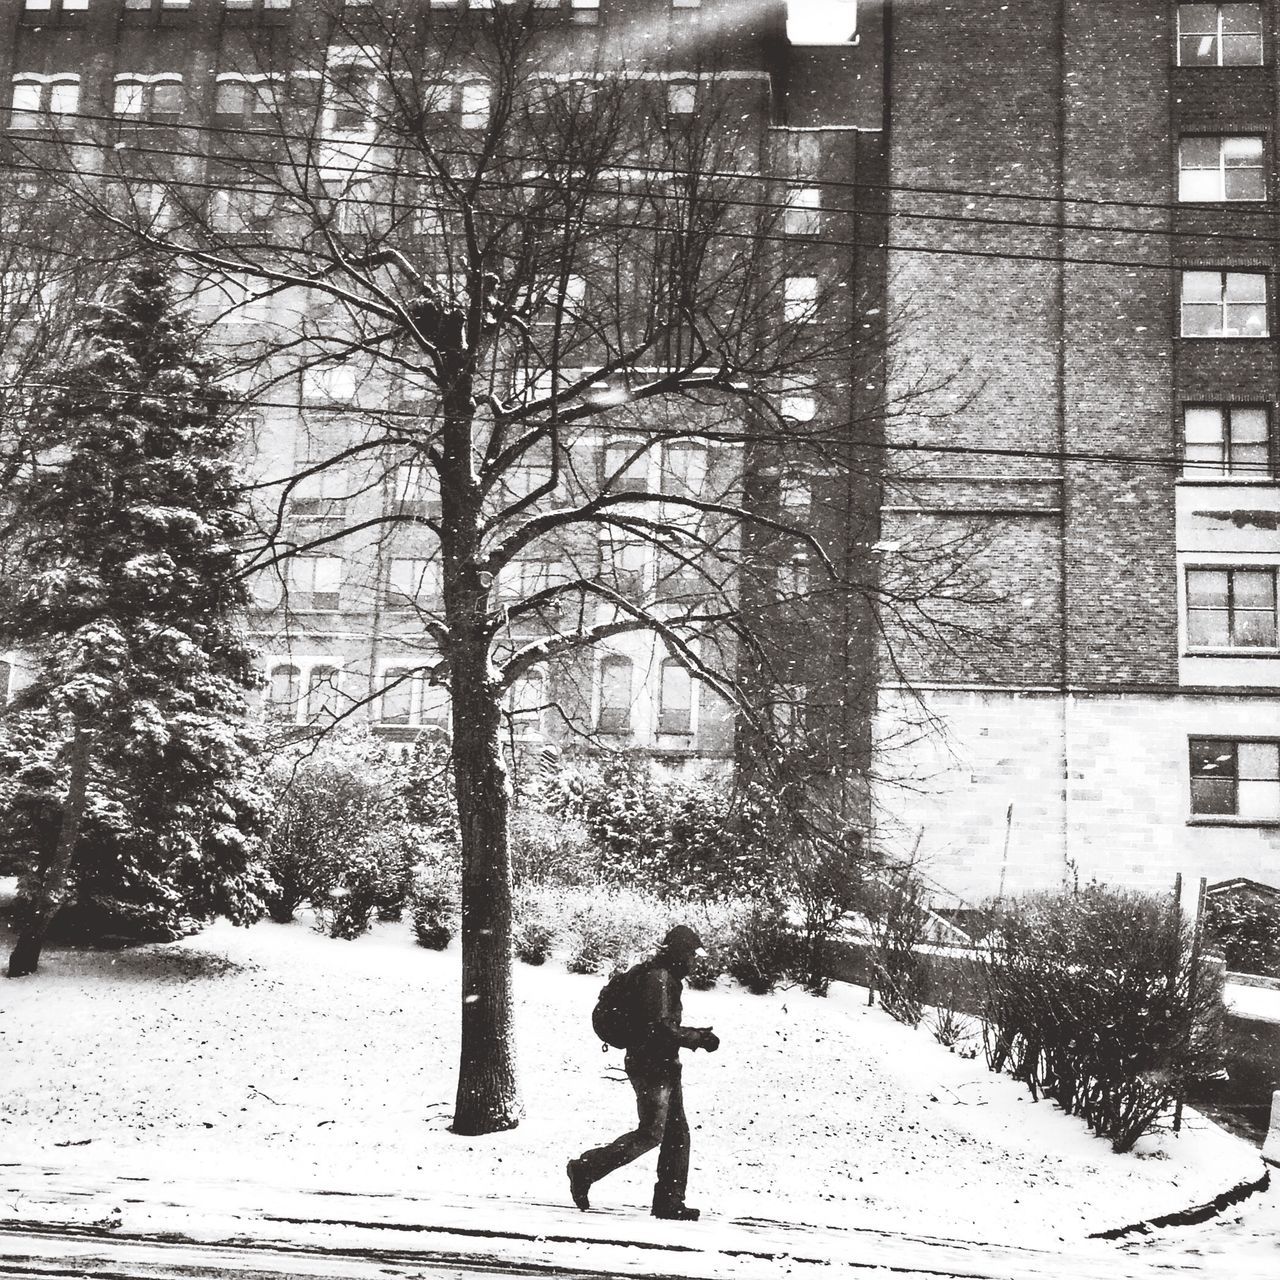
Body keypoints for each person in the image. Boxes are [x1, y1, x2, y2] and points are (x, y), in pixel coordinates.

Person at [567, 924, 719, 1221]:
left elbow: (660, 1026)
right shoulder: (658, 979)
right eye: (690, 955)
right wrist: (698, 1038)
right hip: (651, 1065)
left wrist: (690, 1037)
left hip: (659, 1064)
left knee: (677, 1135)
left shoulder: (663, 976)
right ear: (677, 954)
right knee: (653, 1132)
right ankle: (586, 1169)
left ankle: (669, 1202)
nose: (693, 962)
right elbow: (660, 1028)